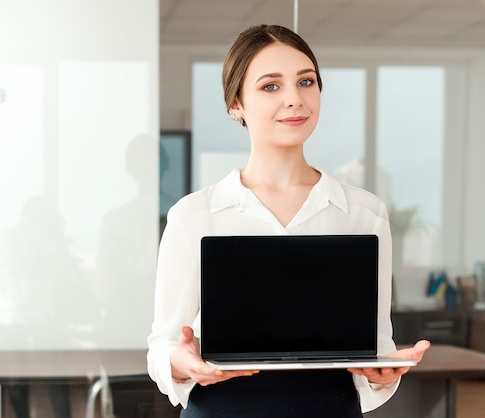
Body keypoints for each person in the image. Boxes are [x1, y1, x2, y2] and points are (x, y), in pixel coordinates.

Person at [147, 24, 430, 417]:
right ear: (235, 104)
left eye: (306, 81)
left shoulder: (364, 214)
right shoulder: (193, 216)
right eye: (270, 86)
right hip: (221, 409)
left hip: (329, 408)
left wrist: (385, 371)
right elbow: (162, 345)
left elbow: (376, 345)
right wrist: (181, 363)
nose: (295, 99)